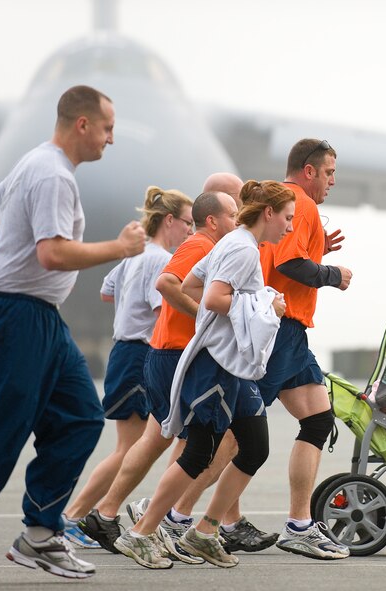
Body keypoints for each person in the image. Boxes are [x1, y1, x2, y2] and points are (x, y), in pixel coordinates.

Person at [0, 85, 146, 585]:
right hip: (14, 316)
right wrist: (119, 248)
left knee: (82, 416)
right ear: (82, 125)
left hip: (38, 315)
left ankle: (40, 535)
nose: (111, 139)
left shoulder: (34, 164)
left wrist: (9, 263)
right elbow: (53, 253)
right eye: (107, 128)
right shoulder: (51, 173)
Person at [115, 180, 294, 569]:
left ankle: (205, 532)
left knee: (255, 445)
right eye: (287, 218)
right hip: (213, 364)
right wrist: (267, 308)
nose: (290, 227)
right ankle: (142, 532)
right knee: (198, 452)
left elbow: (194, 285)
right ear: (268, 214)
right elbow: (212, 298)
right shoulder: (242, 249)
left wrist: (226, 317)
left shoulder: (234, 245)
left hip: (228, 363)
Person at [62, 186, 194, 548]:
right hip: (140, 354)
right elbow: (162, 311)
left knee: (132, 445)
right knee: (130, 448)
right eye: (187, 223)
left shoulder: (134, 256)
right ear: (169, 220)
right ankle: (73, 517)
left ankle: (82, 516)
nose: (190, 231)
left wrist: (128, 301)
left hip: (123, 351)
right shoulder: (160, 260)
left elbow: (108, 292)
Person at [256, 138, 352, 560]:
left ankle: (298, 524)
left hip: (288, 330)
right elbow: (288, 266)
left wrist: (318, 250)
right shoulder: (302, 202)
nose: (333, 180)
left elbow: (283, 255)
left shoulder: (277, 201)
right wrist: (332, 272)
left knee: (317, 420)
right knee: (232, 431)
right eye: (329, 172)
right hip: (279, 329)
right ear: (309, 171)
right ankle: (175, 515)